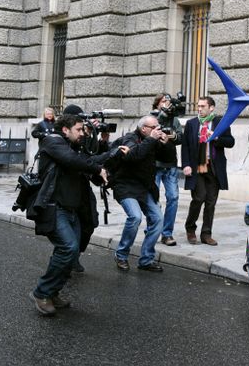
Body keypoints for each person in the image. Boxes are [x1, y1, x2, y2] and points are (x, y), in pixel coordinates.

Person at [27, 113, 126, 316]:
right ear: (65, 130)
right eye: (79, 130)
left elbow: (87, 159)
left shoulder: (73, 146)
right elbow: (73, 161)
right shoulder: (51, 143)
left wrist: (113, 153)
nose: (83, 133)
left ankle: (53, 292)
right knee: (68, 248)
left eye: (83, 130)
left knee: (71, 253)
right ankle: (42, 292)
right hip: (54, 207)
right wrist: (98, 167)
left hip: (72, 208)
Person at [110, 115, 167, 272]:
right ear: (144, 129)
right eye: (154, 127)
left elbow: (168, 158)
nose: (158, 130)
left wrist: (165, 143)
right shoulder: (130, 138)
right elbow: (133, 157)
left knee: (158, 219)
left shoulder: (152, 140)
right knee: (135, 217)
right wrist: (152, 140)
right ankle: (121, 255)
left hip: (145, 187)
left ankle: (146, 260)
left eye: (158, 127)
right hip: (126, 185)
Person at [182, 96, 234, 246]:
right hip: (196, 167)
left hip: (213, 167)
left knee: (211, 201)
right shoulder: (191, 124)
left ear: (211, 108)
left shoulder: (220, 123)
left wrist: (216, 138)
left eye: (203, 106)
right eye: (198, 106)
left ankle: (206, 234)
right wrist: (185, 165)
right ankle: (190, 229)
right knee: (199, 198)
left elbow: (230, 142)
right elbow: (185, 145)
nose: (199, 109)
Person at [151, 93, 184, 246]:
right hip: (155, 165)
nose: (167, 104)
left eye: (169, 102)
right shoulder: (152, 118)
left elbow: (180, 138)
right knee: (153, 200)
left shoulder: (175, 119)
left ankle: (167, 233)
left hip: (170, 164)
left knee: (173, 198)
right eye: (164, 102)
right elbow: (149, 134)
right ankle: (153, 229)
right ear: (157, 104)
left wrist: (171, 135)